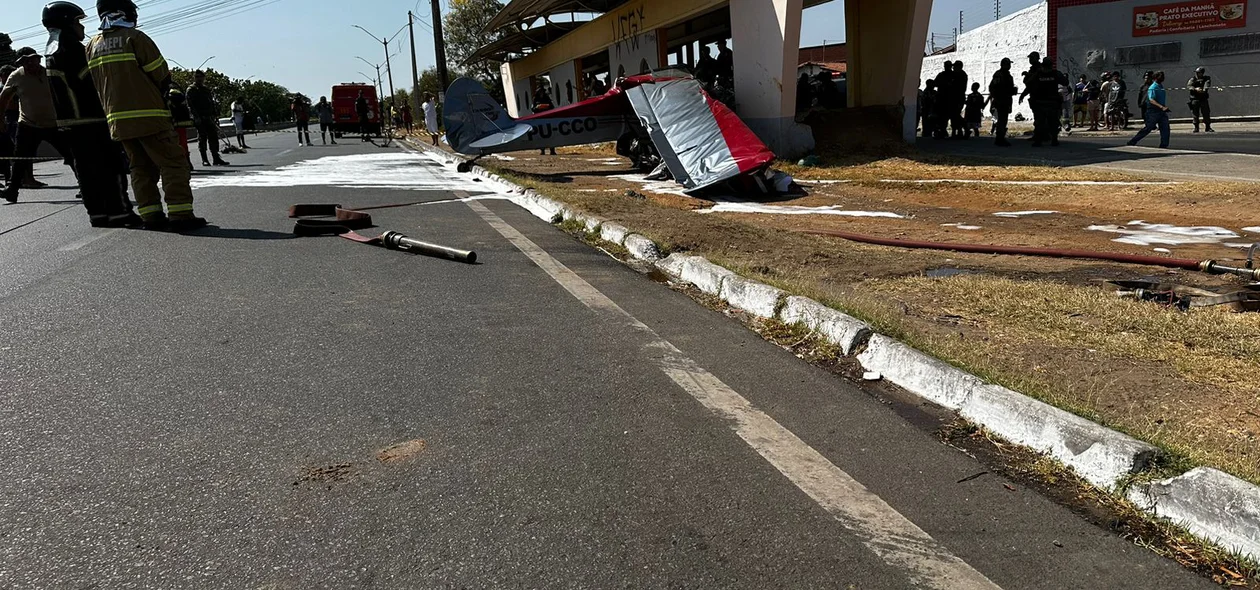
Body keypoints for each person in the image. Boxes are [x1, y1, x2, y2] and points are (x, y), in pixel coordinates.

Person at [87, 0, 206, 231]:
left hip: (118, 121)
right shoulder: (135, 38)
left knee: (140, 168)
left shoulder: (92, 45)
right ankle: (181, 216)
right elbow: (161, 74)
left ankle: (151, 217)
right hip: (149, 117)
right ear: (124, 13)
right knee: (173, 164)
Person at [37, 1, 139, 227]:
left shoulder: (51, 49)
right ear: (67, 23)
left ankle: (98, 214)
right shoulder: (73, 49)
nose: (82, 28)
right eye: (78, 22)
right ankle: (120, 212)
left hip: (69, 123)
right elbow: (94, 80)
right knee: (112, 168)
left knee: (87, 173)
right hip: (91, 119)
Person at [0, 47, 75, 203]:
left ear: (38, 59)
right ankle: (12, 190)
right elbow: (4, 99)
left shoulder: (49, 73)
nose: (30, 64)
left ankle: (85, 185)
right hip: (28, 124)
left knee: (71, 154)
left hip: (53, 123)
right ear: (20, 63)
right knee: (20, 159)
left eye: (33, 60)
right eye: (26, 61)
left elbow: (65, 95)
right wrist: (1, 120)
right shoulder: (16, 76)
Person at [1021, 56, 1067, 147]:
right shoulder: (1056, 74)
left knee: (1039, 122)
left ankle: (1038, 141)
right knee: (1053, 122)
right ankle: (1054, 140)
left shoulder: (1038, 74)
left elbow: (1029, 83)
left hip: (1040, 102)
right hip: (1052, 102)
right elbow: (1065, 82)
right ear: (1051, 65)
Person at [186, 69, 228, 166]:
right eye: (197, 77)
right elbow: (190, 105)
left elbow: (211, 103)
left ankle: (216, 158)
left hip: (209, 117)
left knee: (213, 138)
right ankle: (204, 159)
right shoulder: (191, 89)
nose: (199, 79)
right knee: (202, 138)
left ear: (204, 78)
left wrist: (215, 115)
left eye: (201, 77)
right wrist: (196, 117)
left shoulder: (206, 89)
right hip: (199, 118)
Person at [1128, 70, 1171, 148]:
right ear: (1155, 77)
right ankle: (1133, 141)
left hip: (1161, 111)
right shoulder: (1153, 87)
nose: (1162, 78)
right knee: (1148, 128)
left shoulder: (1160, 86)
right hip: (1153, 111)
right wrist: (1161, 107)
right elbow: (1151, 100)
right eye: (1160, 76)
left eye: (1163, 76)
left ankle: (1164, 146)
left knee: (1165, 129)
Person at [987, 58, 1017, 147]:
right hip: (1001, 100)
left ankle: (1000, 138)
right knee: (1001, 120)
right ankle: (1000, 138)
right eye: (1008, 64)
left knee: (1003, 120)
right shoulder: (999, 75)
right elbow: (993, 87)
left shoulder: (1006, 75)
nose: (1009, 66)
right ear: (1003, 65)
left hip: (1006, 100)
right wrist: (998, 97)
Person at [531, 86, 556, 155]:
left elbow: (552, 107)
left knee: (550, 134)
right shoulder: (535, 99)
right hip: (539, 118)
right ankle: (542, 150)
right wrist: (537, 107)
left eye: (542, 91)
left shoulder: (547, 98)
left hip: (547, 118)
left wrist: (547, 106)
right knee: (541, 134)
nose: (541, 93)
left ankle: (552, 149)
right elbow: (533, 109)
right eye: (540, 91)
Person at [1187, 66, 1214, 133]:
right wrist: (1195, 89)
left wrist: (1203, 90)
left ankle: (1208, 127)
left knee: (1206, 113)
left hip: (1203, 99)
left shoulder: (1206, 78)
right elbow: (1189, 85)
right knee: (1195, 114)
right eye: (1196, 72)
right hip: (1195, 99)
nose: (1197, 74)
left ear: (1202, 73)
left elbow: (1207, 85)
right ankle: (1196, 127)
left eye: (1198, 73)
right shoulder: (1193, 79)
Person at [951, 61, 969, 137]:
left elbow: (957, 88)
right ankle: (959, 131)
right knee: (954, 115)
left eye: (954, 67)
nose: (953, 68)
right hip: (956, 97)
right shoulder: (959, 74)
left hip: (958, 98)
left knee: (955, 115)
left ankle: (965, 128)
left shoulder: (961, 75)